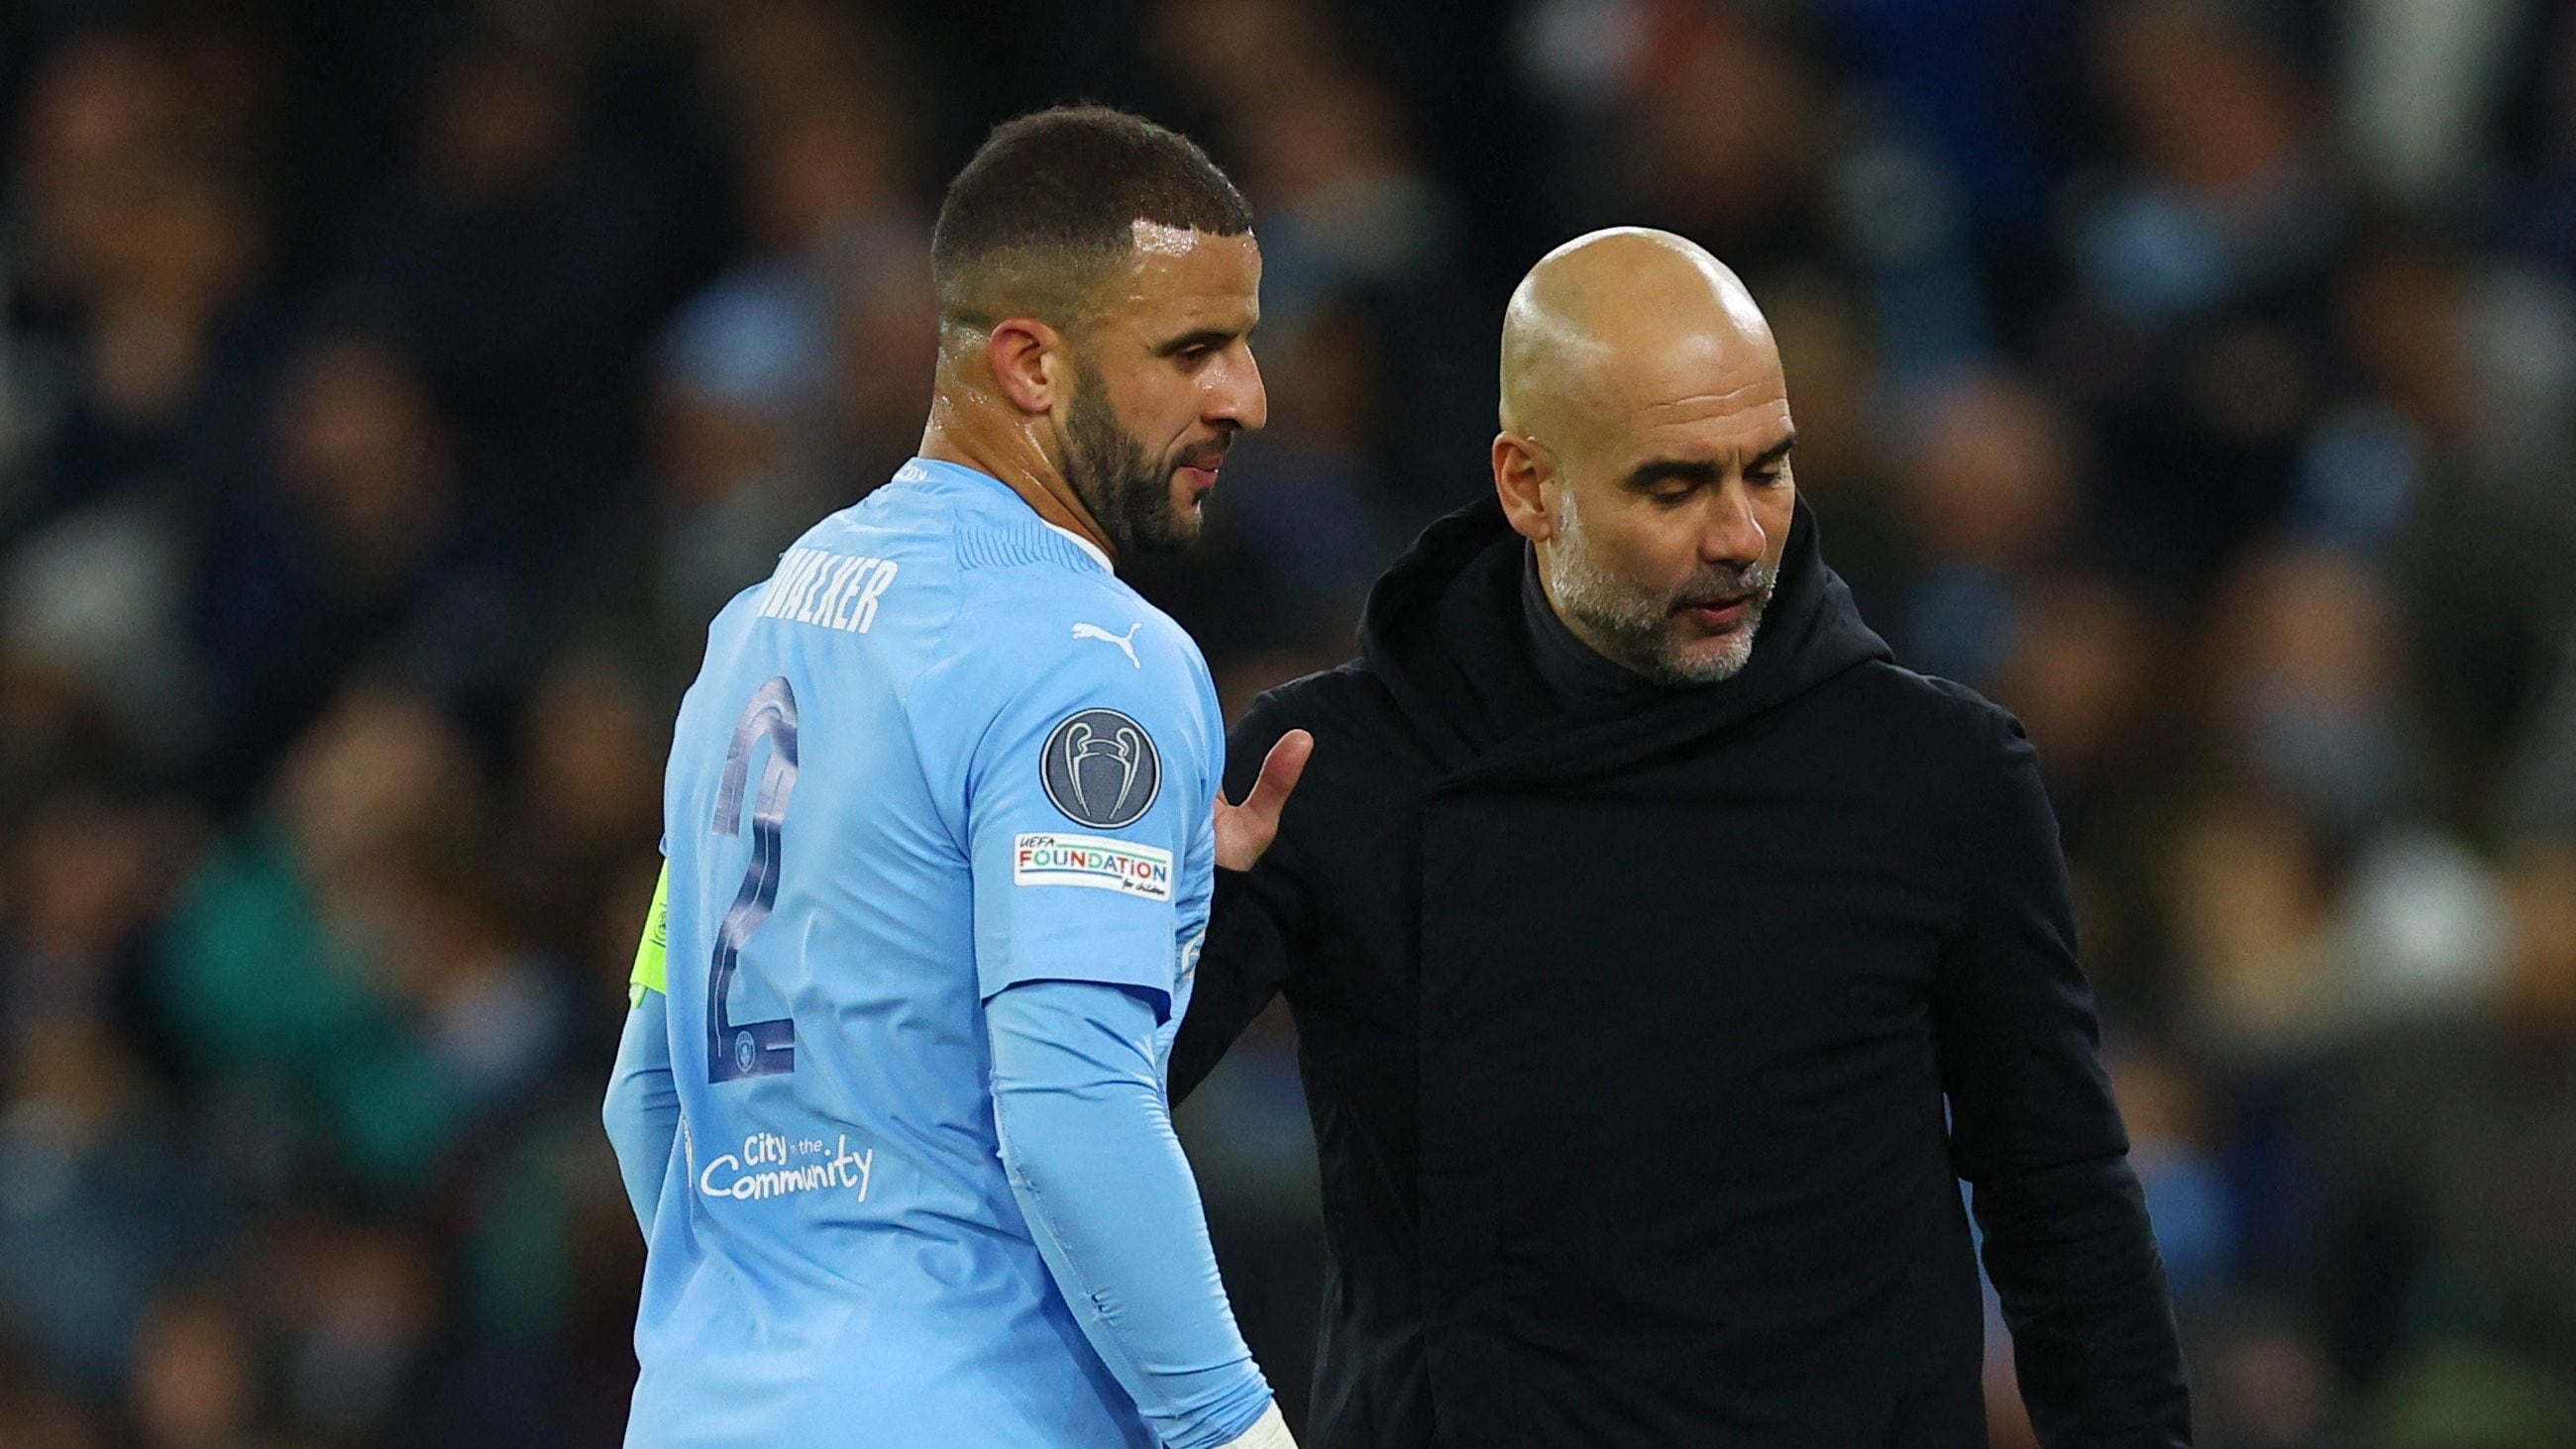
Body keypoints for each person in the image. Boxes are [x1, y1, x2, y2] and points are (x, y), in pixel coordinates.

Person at [1173, 228, 2192, 1447]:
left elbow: (2062, 1212)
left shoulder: (1937, 775)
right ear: (1526, 484)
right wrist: (1159, 922)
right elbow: (1083, 1100)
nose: (1739, 535)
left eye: (1764, 469)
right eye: (1673, 485)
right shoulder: (1327, 771)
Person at [602, 106, 1311, 1449]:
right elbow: (1069, 1109)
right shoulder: (1091, 653)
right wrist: (1232, 1423)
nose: (1248, 396)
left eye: (1247, 340)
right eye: (1194, 350)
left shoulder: (753, 633)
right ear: (1031, 363)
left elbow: (652, 1085)